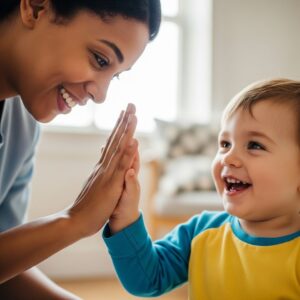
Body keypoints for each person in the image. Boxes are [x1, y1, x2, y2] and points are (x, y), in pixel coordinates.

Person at [0, 0, 161, 298]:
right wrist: (74, 221)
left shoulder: (23, 126)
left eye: (114, 76)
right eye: (100, 59)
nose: (100, 94)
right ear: (35, 8)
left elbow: (6, 262)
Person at [103, 78, 300, 299]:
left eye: (254, 145)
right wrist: (125, 218)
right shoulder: (200, 232)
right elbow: (146, 280)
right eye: (225, 144)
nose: (229, 157)